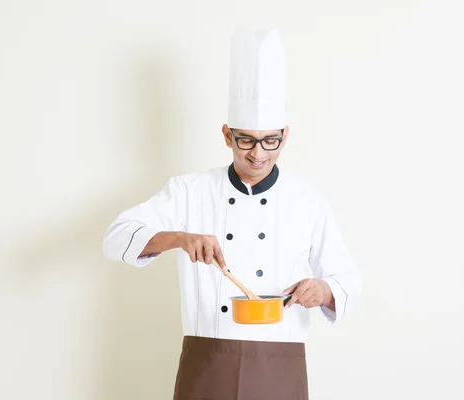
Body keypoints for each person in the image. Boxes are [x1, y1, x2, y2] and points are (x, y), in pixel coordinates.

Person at [103, 27, 362, 400]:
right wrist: (180, 238)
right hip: (207, 359)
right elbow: (115, 238)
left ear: (285, 136)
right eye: (246, 141)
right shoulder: (189, 190)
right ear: (227, 134)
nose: (258, 154)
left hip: (281, 361)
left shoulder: (307, 201)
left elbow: (349, 281)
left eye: (270, 141)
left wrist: (322, 289)